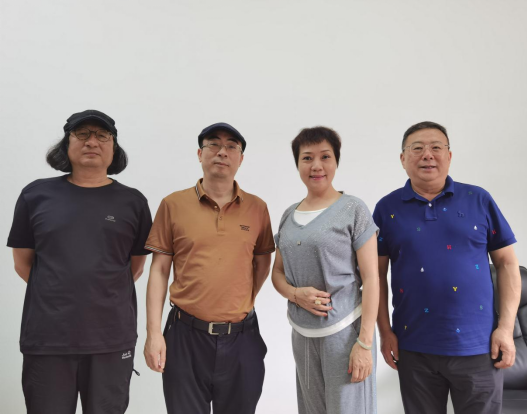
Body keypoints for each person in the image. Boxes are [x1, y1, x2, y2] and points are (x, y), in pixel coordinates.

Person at [7, 109, 153, 414]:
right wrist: (59, 291)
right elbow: (23, 263)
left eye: (102, 135)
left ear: (114, 147)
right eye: (82, 134)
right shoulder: (36, 195)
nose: (92, 142)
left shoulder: (133, 202)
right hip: (48, 337)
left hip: (111, 338)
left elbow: (135, 267)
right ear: (66, 144)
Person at [373, 121, 521, 414]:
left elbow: (507, 263)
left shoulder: (479, 199)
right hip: (413, 346)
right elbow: (375, 274)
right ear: (403, 158)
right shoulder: (387, 208)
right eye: (417, 148)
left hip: (479, 346)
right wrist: (384, 331)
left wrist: (505, 329)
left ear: (449, 156)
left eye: (436, 147)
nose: (427, 155)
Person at [143, 122, 275, 414]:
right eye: (213, 144)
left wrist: (238, 299)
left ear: (241, 158)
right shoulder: (173, 204)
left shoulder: (257, 208)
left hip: (242, 338)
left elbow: (262, 262)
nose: (222, 152)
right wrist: (153, 334)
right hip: (185, 336)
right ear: (199, 154)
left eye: (231, 147)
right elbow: (159, 270)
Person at [271, 126, 380, 414]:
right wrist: (296, 295)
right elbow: (277, 274)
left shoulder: (353, 209)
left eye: (325, 156)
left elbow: (372, 279)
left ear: (336, 161)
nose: (316, 165)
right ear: (297, 164)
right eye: (307, 158)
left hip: (345, 334)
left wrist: (365, 344)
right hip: (303, 335)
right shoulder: (289, 215)